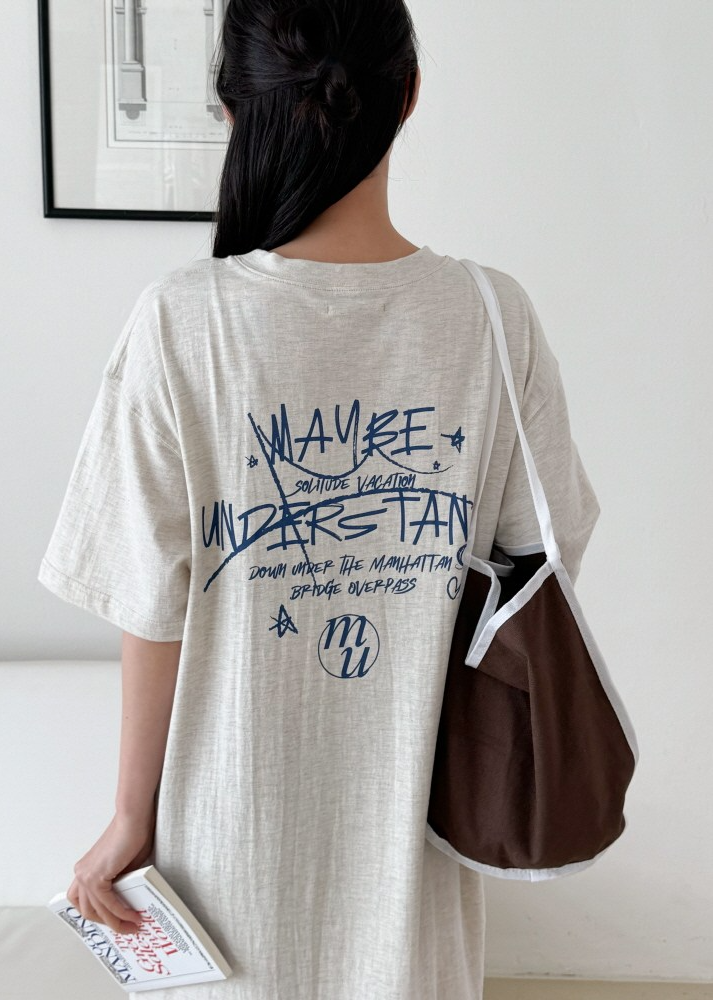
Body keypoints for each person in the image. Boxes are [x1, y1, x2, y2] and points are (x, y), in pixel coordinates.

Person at [37, 1, 601, 997]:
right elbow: (539, 565)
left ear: (231, 109)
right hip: (416, 870)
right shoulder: (491, 316)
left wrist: (131, 817)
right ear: (408, 95)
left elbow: (151, 607)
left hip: (226, 868)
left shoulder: (182, 321)